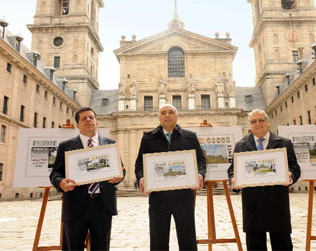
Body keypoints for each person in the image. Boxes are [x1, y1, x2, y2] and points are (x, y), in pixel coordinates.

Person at [50, 107, 125, 251]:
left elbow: (121, 170)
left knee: (101, 247)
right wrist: (61, 182)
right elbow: (55, 174)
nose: (88, 120)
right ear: (78, 125)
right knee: (73, 247)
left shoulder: (110, 144)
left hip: (102, 205)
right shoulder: (65, 146)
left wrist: (119, 177)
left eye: (91, 117)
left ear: (96, 122)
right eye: (84, 118)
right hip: (75, 205)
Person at [135, 104, 206, 251]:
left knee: (187, 238)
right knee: (158, 239)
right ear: (159, 116)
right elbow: (139, 164)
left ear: (177, 116)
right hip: (158, 197)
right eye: (163, 112)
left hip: (184, 196)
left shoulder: (190, 136)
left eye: (171, 112)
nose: (167, 115)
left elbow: (200, 160)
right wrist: (141, 177)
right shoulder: (148, 138)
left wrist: (200, 174)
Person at [228, 109, 301, 251]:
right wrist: (233, 179)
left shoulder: (284, 143)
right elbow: (232, 170)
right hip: (252, 203)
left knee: (282, 244)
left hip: (277, 201)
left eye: (261, 120)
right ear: (249, 125)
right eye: (253, 121)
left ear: (268, 122)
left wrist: (291, 174)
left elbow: (295, 167)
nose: (258, 124)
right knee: (255, 245)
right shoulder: (240, 145)